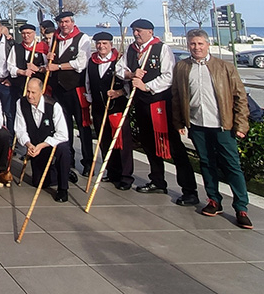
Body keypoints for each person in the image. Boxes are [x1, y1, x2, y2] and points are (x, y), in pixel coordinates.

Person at [173, 29, 251, 228]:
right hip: (198, 125)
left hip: (222, 126)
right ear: (188, 45)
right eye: (192, 44)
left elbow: (240, 97)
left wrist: (241, 124)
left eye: (200, 44)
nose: (196, 47)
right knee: (206, 163)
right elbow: (177, 97)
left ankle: (241, 207)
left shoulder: (224, 67)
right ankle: (213, 200)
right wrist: (179, 121)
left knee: (232, 166)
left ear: (207, 45)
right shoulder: (182, 67)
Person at [117, 18, 199, 206]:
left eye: (138, 31)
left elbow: (169, 76)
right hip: (140, 104)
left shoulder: (162, 49)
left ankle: (189, 190)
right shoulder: (131, 50)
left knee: (175, 147)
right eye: (134, 31)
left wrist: (146, 86)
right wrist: (131, 75)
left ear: (150, 31)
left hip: (160, 104)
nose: (135, 34)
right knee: (148, 143)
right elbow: (119, 69)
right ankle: (157, 180)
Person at [44, 11, 92, 180]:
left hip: (76, 89)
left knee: (83, 126)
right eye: (61, 22)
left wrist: (58, 66)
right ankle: (68, 159)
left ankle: (88, 162)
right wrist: (49, 58)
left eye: (66, 22)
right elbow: (49, 62)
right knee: (63, 126)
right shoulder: (56, 39)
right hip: (59, 89)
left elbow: (81, 63)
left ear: (72, 22)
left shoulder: (82, 38)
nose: (63, 25)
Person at [85, 32, 134, 190]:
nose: (101, 46)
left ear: (111, 45)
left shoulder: (119, 61)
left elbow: (128, 84)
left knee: (122, 142)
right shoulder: (92, 62)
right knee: (104, 140)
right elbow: (88, 83)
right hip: (99, 108)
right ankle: (112, 171)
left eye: (105, 43)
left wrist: (119, 93)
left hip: (116, 108)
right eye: (99, 43)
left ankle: (125, 176)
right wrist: (91, 100)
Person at [14, 78, 72, 202]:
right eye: (28, 91)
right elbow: (20, 129)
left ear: (42, 91)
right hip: (35, 145)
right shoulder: (21, 103)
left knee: (64, 149)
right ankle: (63, 172)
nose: (30, 96)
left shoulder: (53, 106)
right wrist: (28, 145)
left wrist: (43, 145)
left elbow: (63, 134)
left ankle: (63, 188)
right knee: (39, 182)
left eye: (33, 92)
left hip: (52, 144)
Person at [7, 23, 47, 134]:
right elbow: (10, 67)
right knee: (19, 112)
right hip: (20, 87)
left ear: (34, 34)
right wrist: (22, 72)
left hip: (37, 89)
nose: (26, 36)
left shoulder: (42, 48)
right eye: (23, 33)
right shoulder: (16, 48)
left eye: (29, 33)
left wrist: (37, 68)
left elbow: (47, 67)